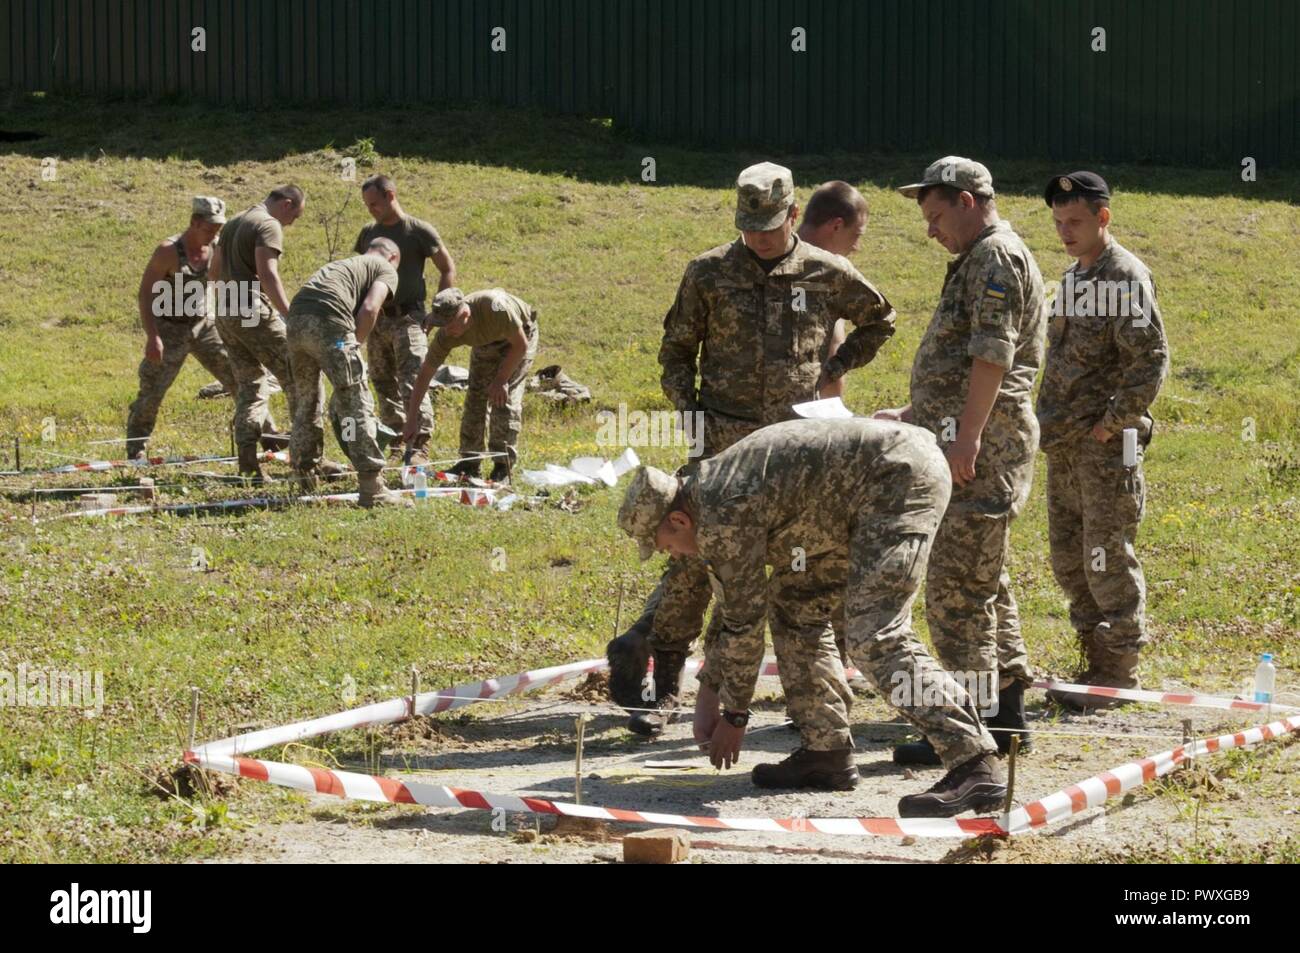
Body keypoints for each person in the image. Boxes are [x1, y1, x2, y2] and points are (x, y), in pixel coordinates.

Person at [606, 162, 897, 737]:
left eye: (769, 226)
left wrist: (832, 368)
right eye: (749, 227)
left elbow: (880, 320)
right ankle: (663, 686)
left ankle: (809, 701)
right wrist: (688, 412)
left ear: (794, 215)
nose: (759, 238)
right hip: (722, 446)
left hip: (795, 455)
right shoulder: (709, 273)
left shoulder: (826, 271)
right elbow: (676, 348)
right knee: (693, 566)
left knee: (801, 565)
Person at [617, 418, 1007, 817]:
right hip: (845, 505)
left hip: (897, 480)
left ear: (678, 520)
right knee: (793, 602)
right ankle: (826, 750)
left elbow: (743, 622)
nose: (676, 555)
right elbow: (736, 606)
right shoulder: (708, 496)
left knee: (875, 635)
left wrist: (733, 715)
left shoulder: (719, 513)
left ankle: (973, 761)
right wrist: (712, 690)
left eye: (667, 546)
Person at [877, 157, 1046, 765]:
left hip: (982, 448)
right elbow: (963, 365)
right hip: (969, 437)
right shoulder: (981, 256)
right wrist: (915, 412)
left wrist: (966, 439)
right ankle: (1004, 715)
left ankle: (969, 730)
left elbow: (992, 357)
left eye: (936, 215)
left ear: (968, 201)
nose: (930, 230)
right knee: (984, 579)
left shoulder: (996, 258)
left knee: (956, 592)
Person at [1037, 172, 1170, 710]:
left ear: (1102, 218)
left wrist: (1111, 424)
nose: (1066, 231)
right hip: (1065, 445)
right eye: (1059, 222)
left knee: (1106, 555)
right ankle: (1093, 660)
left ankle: (1118, 671)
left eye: (1075, 221)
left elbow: (1150, 360)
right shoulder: (1073, 278)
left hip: (1107, 446)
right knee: (1069, 556)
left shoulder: (1125, 276)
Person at [284, 239, 410, 507]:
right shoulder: (384, 268)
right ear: (394, 257)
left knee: (307, 400)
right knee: (355, 400)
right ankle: (372, 488)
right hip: (330, 324)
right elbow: (370, 308)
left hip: (295, 322)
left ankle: (303, 476)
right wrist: (354, 345)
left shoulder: (343, 265)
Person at [354, 174, 457, 465]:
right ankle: (396, 439)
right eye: (367, 204)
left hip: (409, 317)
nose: (370, 209)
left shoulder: (417, 231)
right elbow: (361, 274)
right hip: (376, 318)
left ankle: (420, 445)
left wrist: (439, 312)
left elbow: (447, 268)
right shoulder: (367, 233)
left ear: (390, 196)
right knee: (382, 380)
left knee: (413, 381)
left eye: (374, 203)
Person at [212, 185, 312, 480]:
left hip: (226, 310)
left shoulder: (233, 222)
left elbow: (214, 271)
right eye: (295, 215)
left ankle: (247, 462)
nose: (292, 222)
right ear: (287, 203)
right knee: (297, 376)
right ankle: (305, 460)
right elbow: (268, 273)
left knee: (251, 387)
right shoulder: (268, 224)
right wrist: (288, 315)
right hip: (251, 308)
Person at [126, 196, 238, 459]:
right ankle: (135, 452)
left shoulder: (217, 247)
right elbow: (145, 294)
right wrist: (153, 337)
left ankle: (264, 437)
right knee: (151, 394)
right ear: (194, 222)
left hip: (204, 326)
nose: (214, 233)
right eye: (210, 227)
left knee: (240, 379)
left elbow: (223, 283)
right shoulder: (168, 251)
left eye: (218, 227)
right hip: (169, 330)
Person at [406, 287, 539, 483]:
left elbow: (521, 345)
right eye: (443, 325)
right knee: (475, 398)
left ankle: (503, 466)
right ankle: (469, 462)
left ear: (465, 314)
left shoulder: (495, 307)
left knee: (504, 399)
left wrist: (501, 380)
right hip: (485, 343)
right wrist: (411, 419)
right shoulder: (446, 335)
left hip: (519, 338)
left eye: (450, 324)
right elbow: (425, 374)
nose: (448, 330)